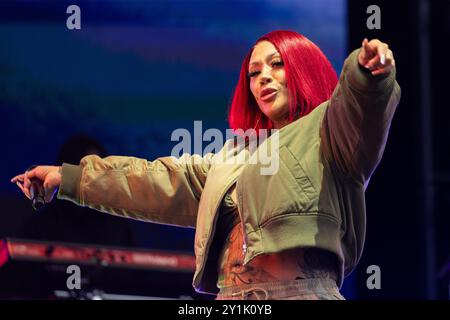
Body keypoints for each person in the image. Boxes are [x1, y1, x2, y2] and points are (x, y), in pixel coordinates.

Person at [11, 30, 400, 300]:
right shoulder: (235, 155)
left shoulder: (330, 132)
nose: (263, 77)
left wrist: (368, 75)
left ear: (303, 68)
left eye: (277, 64)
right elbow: (158, 180)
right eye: (253, 72)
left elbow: (361, 108)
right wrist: (70, 177)